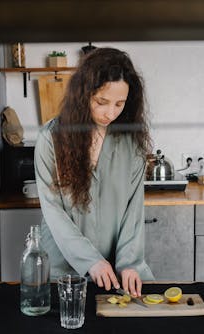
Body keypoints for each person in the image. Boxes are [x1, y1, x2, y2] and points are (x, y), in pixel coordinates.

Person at [34, 47, 154, 297]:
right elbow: (53, 210)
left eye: (120, 104)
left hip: (117, 272)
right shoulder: (51, 139)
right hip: (63, 271)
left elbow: (134, 210)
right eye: (102, 102)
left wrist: (129, 264)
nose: (111, 113)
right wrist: (90, 260)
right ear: (83, 94)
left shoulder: (131, 142)